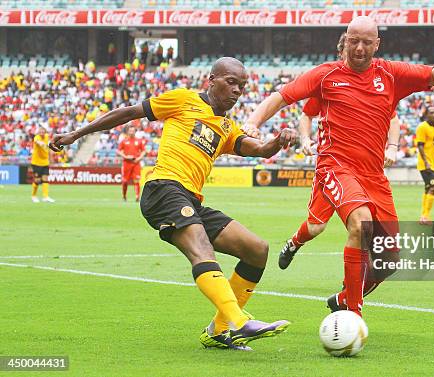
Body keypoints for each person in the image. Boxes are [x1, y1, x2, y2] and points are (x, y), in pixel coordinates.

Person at [50, 57, 295, 351]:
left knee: (256, 249)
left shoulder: (227, 127)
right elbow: (129, 112)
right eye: (231, 82)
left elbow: (259, 149)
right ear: (211, 80)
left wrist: (279, 140)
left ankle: (218, 331)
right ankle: (238, 322)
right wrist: (77, 134)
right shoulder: (183, 99)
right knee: (201, 249)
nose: (237, 91)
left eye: (242, 87)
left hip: (191, 199)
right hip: (163, 189)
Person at [244, 16, 434, 317]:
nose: (359, 48)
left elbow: (432, 70)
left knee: (389, 261)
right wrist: (252, 123)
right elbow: (282, 97)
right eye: (353, 41)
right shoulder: (325, 76)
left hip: (374, 176)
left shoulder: (390, 74)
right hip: (336, 166)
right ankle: (353, 314)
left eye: (366, 42)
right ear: (344, 40)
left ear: (377, 44)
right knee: (356, 224)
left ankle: (345, 297)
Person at [278, 32, 402, 270]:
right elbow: (307, 114)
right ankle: (293, 244)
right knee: (316, 227)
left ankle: (349, 294)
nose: (354, 54)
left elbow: (393, 118)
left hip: (364, 170)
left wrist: (393, 147)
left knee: (367, 231)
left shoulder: (376, 84)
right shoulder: (328, 81)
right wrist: (305, 139)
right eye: (347, 50)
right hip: (335, 166)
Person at [416, 106, 434, 225]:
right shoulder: (422, 127)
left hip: (433, 164)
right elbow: (420, 146)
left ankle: (423, 216)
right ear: (426, 114)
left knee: (428, 188)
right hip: (425, 164)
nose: (433, 114)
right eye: (431, 112)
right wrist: (426, 162)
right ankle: (425, 216)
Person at [117, 125, 146, 201]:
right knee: (125, 181)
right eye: (130, 131)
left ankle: (137, 197)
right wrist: (126, 157)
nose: (131, 132)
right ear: (127, 131)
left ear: (135, 132)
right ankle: (124, 196)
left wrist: (139, 158)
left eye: (133, 131)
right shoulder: (124, 141)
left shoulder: (139, 141)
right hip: (126, 163)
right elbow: (119, 151)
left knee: (136, 180)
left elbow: (144, 151)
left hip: (136, 163)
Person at [31, 127, 54, 203]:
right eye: (40, 132)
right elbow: (38, 142)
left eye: (43, 132)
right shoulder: (36, 137)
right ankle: (33, 196)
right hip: (36, 162)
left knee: (45, 179)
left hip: (45, 162)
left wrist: (51, 159)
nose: (42, 133)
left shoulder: (47, 137)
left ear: (45, 132)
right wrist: (42, 144)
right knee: (37, 180)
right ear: (38, 133)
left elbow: (49, 149)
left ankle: (46, 197)